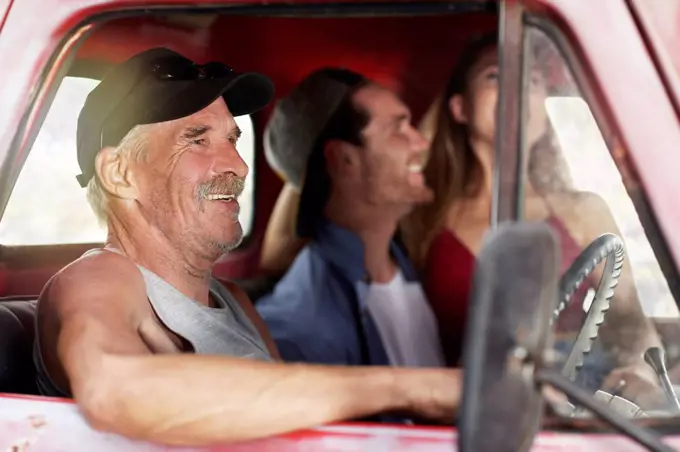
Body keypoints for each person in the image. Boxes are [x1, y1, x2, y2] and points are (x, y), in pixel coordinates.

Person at [32, 48, 462, 446]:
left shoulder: (233, 300)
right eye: (197, 140)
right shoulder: (100, 277)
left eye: (233, 140)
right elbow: (111, 391)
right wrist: (407, 388)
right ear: (120, 173)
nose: (238, 165)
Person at [400, 33, 665, 408]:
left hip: (569, 406)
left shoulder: (584, 210)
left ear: (545, 109)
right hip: (464, 416)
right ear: (459, 108)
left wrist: (640, 371)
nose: (517, 88)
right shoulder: (419, 215)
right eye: (495, 76)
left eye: (534, 80)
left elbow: (632, 325)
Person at [256, 68, 446, 369]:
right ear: (344, 160)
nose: (420, 143)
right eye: (399, 129)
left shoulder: (400, 263)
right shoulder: (305, 324)